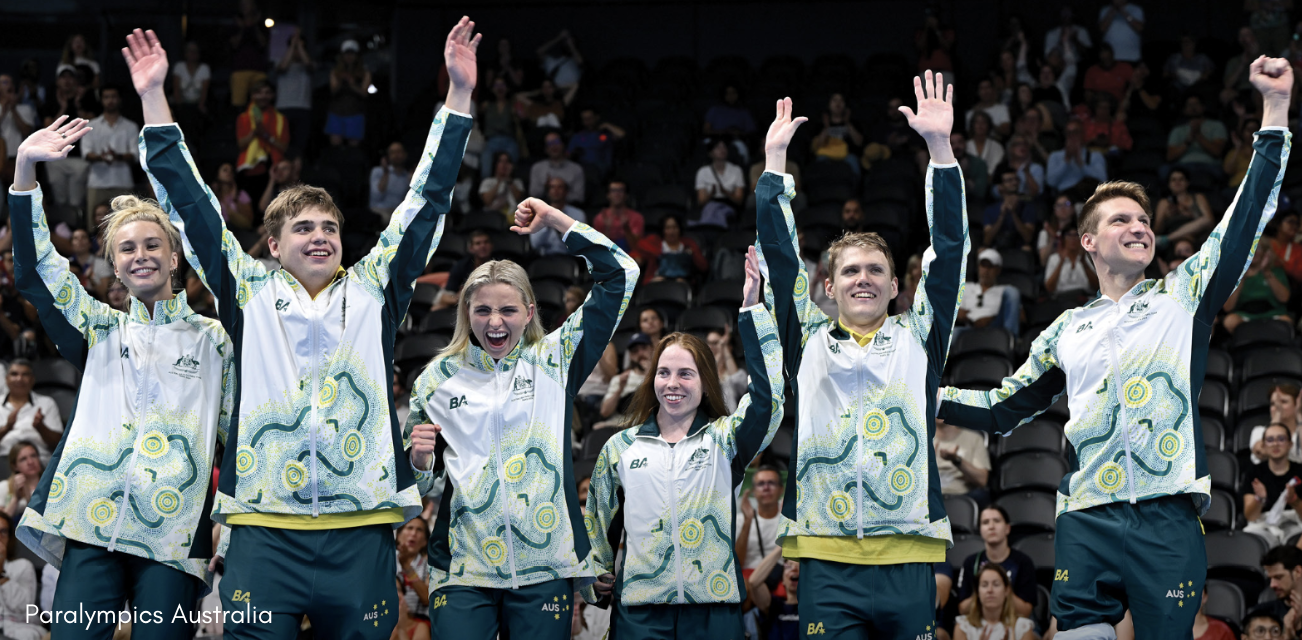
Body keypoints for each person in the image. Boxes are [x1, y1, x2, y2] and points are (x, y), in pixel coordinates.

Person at [128, 20, 479, 637]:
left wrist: (457, 96)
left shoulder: (375, 289)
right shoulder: (248, 291)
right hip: (264, 529)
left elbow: (427, 200)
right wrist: (155, 99)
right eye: (304, 228)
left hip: (360, 528)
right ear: (272, 244)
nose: (320, 236)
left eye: (329, 228)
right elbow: (191, 206)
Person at [938, 56, 1295, 640]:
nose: (1140, 226)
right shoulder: (1065, 328)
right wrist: (930, 396)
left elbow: (1245, 219)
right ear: (1087, 242)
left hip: (1168, 515)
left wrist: (1275, 113)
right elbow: (1003, 406)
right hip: (1085, 518)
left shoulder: (1184, 297)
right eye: (1121, 219)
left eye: (1145, 219)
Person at [756, 73, 968, 637]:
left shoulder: (920, 336)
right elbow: (779, 262)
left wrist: (940, 151)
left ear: (898, 286)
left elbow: (949, 251)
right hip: (827, 558)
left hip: (910, 550)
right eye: (850, 270)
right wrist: (775, 164)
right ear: (827, 286)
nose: (864, 279)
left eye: (877, 269)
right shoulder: (807, 341)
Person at [9, 115, 233, 639]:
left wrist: (231, 517)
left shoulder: (215, 339)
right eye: (127, 249)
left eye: (153, 245)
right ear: (113, 264)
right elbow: (37, 268)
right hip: (90, 522)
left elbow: (235, 433)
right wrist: (24, 170)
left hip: (174, 537)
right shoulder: (100, 328)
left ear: (175, 257)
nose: (141, 256)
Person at [405, 193, 638, 639]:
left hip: (545, 565)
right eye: (483, 310)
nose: (496, 321)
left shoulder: (556, 359)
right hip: (462, 567)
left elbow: (621, 273)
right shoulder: (436, 380)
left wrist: (554, 220)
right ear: (466, 313)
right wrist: (418, 462)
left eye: (508, 309)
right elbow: (420, 486)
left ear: (529, 312)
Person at [583, 248, 782, 639]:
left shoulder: (725, 439)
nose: (672, 383)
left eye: (686, 374)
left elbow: (769, 399)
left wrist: (752, 312)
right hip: (640, 610)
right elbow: (599, 523)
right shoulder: (621, 448)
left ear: (705, 380)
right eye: (664, 373)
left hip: (713, 610)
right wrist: (596, 576)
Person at [956, 506, 1037, 618]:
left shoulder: (1023, 562)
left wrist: (1003, 587)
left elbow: (1025, 612)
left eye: (997, 521)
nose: (991, 526)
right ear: (980, 530)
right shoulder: (971, 562)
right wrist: (983, 591)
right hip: (980, 621)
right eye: (985, 522)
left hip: (1014, 621)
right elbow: (963, 609)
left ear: (1007, 528)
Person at [39, 66, 94, 215]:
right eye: (64, 77)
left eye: (71, 77)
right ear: (57, 81)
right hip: (56, 158)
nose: (67, 81)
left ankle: (77, 231)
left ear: (76, 81)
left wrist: (77, 104)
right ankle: (62, 230)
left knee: (76, 201)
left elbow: (94, 125)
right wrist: (63, 108)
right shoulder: (51, 102)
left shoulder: (86, 100)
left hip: (79, 158)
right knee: (59, 200)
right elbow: (47, 130)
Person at [82, 84, 139, 228]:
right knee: (94, 227)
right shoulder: (91, 126)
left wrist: (116, 157)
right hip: (97, 182)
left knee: (128, 224)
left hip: (122, 181)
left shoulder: (131, 126)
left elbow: (135, 155)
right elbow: (86, 154)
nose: (110, 101)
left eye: (113, 97)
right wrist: (102, 157)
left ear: (119, 99)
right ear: (101, 100)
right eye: (107, 97)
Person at [1243, 424, 1302, 547]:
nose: (1275, 444)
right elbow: (1250, 516)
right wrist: (1259, 499)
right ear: (1263, 445)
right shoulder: (1254, 472)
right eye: (1270, 440)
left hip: (1295, 525)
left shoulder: (1300, 471)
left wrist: (1294, 500)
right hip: (1263, 526)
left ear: (1290, 444)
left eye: (1281, 439)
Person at [235, 80, 289, 201]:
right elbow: (241, 144)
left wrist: (265, 134)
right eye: (258, 92)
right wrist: (255, 132)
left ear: (273, 96)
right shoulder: (243, 118)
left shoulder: (281, 119)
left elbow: (283, 147)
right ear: (252, 95)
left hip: (273, 170)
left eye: (267, 93)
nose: (263, 96)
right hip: (250, 169)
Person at [954, 564, 1038, 640]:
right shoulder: (963, 627)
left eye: (996, 584)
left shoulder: (1023, 627)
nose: (990, 590)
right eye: (984, 585)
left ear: (1006, 590)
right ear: (977, 592)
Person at [0, 361, 61, 464]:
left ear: (32, 380)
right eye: (14, 374)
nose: (19, 379)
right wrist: (7, 428)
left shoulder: (46, 403)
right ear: (6, 379)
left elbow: (57, 443)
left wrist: (40, 427)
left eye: (25, 374)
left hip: (39, 461)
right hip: (3, 461)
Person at [1223, 243, 1292, 334]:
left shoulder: (1276, 271)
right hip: (1245, 315)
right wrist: (1242, 276)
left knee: (1286, 321)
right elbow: (1227, 308)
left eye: (1257, 248)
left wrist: (1266, 272)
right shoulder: (1234, 274)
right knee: (1230, 321)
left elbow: (1284, 298)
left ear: (1265, 252)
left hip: (1272, 313)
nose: (1253, 252)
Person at [592, 331, 653, 430]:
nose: (640, 353)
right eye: (635, 351)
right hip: (619, 425)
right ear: (631, 356)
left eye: (644, 348)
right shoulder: (620, 379)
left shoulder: (661, 376)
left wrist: (650, 375)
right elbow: (604, 412)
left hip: (647, 425)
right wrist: (620, 389)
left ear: (652, 349)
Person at [0, 511, 42, 640]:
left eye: (3, 531)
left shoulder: (23, 566)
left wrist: (1, 572)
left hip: (19, 628)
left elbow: (24, 608)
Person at [273, 28, 314, 159]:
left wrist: (299, 45)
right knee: (282, 143)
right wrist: (293, 44)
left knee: (300, 145)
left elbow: (308, 64)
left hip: (303, 108)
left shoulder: (309, 64)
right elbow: (283, 67)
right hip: (283, 108)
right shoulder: (279, 62)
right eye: (294, 47)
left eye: (299, 47)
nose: (296, 50)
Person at [934, 415, 992, 506]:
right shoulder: (921, 440)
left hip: (964, 495)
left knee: (982, 496)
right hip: (930, 496)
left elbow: (982, 480)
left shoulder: (974, 439)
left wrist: (956, 460)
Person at [1166, 96, 1228, 180]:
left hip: (1209, 165)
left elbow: (1217, 152)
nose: (1193, 107)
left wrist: (1198, 135)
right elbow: (1170, 156)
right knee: (1165, 171)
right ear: (1184, 109)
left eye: (1196, 104)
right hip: (1183, 165)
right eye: (1189, 105)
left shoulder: (1216, 126)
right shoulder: (1178, 130)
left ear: (1203, 107)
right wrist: (1188, 140)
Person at [736, 465, 785, 572]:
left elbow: (792, 561)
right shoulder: (740, 521)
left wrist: (787, 523)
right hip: (747, 578)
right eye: (761, 483)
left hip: (779, 578)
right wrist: (747, 522)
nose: (766, 488)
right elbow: (737, 564)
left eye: (771, 483)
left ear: (781, 489)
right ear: (753, 491)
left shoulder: (788, 521)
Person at [633, 213, 706, 284]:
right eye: (668, 228)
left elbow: (704, 267)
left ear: (679, 229)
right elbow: (637, 250)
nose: (671, 232)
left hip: (682, 281)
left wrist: (693, 253)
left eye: (675, 228)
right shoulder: (654, 243)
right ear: (663, 230)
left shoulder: (689, 244)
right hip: (658, 279)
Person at [1046, 121, 1108, 200]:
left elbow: (1103, 180)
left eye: (1075, 132)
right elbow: (1050, 182)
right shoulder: (1055, 156)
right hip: (1065, 198)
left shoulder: (1094, 155)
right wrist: (1066, 160)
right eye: (1069, 133)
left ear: (1082, 134)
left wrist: (1081, 163)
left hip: (1089, 197)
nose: (1072, 136)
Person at [1154, 169, 1215, 247]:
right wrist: (1166, 216)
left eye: (1181, 179)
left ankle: (1168, 239)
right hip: (1174, 233)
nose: (1177, 182)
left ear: (1187, 182)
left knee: (1205, 220)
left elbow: (1209, 221)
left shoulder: (1198, 197)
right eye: (1173, 180)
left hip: (1197, 234)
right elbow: (1157, 229)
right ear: (1169, 184)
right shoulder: (1164, 202)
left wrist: (1191, 213)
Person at [326, 39, 370, 147]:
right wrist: (341, 80)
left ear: (357, 56)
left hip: (355, 113)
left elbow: (364, 93)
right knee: (335, 144)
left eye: (352, 53)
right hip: (337, 112)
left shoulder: (365, 73)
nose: (349, 57)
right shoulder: (335, 72)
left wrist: (352, 84)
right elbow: (333, 90)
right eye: (346, 53)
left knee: (353, 145)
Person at [696, 139, 746, 227]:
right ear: (710, 153)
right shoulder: (702, 172)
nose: (722, 150)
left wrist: (726, 192)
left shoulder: (736, 170)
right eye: (718, 147)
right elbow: (701, 201)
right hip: (710, 205)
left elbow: (739, 200)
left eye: (724, 147)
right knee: (711, 209)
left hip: (730, 205)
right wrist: (711, 194)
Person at [983, 169, 1037, 251]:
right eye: (1009, 180)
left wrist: (1013, 213)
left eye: (1016, 179)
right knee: (981, 250)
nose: (1014, 183)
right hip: (996, 247)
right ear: (1000, 186)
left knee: (1027, 249)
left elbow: (1028, 238)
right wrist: (1002, 215)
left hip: (1018, 247)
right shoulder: (990, 209)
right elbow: (987, 240)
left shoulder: (1027, 207)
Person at [228, 0, 268, 107]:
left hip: (258, 69)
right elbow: (234, 44)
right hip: (240, 69)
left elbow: (263, 43)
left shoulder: (261, 22)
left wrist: (254, 25)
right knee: (238, 104)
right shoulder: (236, 22)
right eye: (243, 4)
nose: (245, 6)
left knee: (260, 104)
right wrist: (243, 28)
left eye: (248, 3)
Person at [478, 77, 521, 178]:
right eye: (497, 86)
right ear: (493, 89)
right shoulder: (487, 105)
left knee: (513, 166)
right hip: (491, 140)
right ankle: (487, 187)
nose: (500, 88)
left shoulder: (512, 105)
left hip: (509, 140)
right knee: (485, 166)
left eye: (502, 85)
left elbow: (524, 116)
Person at [534, 177, 587, 256]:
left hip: (571, 259)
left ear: (566, 192)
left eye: (560, 187)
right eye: (552, 187)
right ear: (548, 192)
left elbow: (581, 244)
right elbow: (535, 244)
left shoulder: (578, 214)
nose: (556, 190)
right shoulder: (538, 215)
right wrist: (546, 224)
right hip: (545, 258)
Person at [1043, 222, 1098, 298]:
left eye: (1076, 236)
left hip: (1085, 299)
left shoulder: (1088, 258)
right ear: (1063, 239)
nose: (1073, 239)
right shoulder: (1054, 259)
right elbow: (1049, 288)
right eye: (1069, 235)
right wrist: (1061, 262)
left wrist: (1084, 263)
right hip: (1061, 300)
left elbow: (1097, 287)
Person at [568, 107, 624, 178]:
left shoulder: (606, 134)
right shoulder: (577, 136)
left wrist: (607, 125)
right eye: (585, 119)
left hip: (601, 169)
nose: (588, 122)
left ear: (596, 117)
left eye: (590, 118)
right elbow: (568, 154)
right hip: (582, 169)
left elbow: (621, 135)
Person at [530, 131, 585, 204]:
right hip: (543, 208)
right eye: (549, 143)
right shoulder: (537, 168)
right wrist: (545, 188)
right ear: (545, 148)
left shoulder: (576, 169)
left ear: (563, 144)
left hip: (569, 209)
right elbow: (533, 195)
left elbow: (579, 197)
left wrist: (560, 193)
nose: (554, 146)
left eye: (556, 142)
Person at [591, 180, 644, 251]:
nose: (617, 194)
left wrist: (626, 228)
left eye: (620, 190)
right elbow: (599, 249)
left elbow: (636, 248)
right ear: (608, 195)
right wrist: (607, 229)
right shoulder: (600, 218)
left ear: (626, 195)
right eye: (613, 190)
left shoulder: (637, 217)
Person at [396, 516, 430, 618]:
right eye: (409, 528)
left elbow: (427, 599)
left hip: (418, 626)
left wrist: (406, 566)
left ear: (425, 541)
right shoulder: (387, 560)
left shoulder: (430, 566)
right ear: (398, 535)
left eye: (419, 530)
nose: (413, 533)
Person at [371, 141, 411, 221]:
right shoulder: (378, 171)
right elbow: (376, 197)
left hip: (399, 212)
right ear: (388, 156)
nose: (396, 155)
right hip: (380, 210)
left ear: (405, 155)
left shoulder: (408, 176)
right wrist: (386, 173)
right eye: (392, 152)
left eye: (399, 152)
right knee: (388, 219)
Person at [480, 151, 526, 221]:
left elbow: (518, 198)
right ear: (495, 164)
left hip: (513, 218)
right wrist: (500, 181)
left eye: (507, 161)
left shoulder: (517, 182)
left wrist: (508, 180)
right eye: (501, 161)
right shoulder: (487, 182)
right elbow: (487, 201)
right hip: (491, 217)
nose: (504, 164)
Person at [0, 441, 41, 518]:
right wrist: (16, 498)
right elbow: (2, 524)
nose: (30, 462)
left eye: (33, 456)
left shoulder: (52, 484)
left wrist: (29, 499)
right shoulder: (4, 486)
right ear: (15, 466)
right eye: (23, 459)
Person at [212, 162, 255, 231]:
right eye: (225, 170)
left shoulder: (241, 194)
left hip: (239, 231)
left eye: (231, 171)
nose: (229, 173)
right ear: (217, 175)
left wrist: (235, 199)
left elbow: (249, 220)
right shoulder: (212, 195)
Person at [966, 111, 1004, 178]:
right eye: (977, 122)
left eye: (984, 122)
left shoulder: (997, 146)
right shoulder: (966, 145)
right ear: (972, 125)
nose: (980, 125)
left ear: (989, 126)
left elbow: (996, 166)